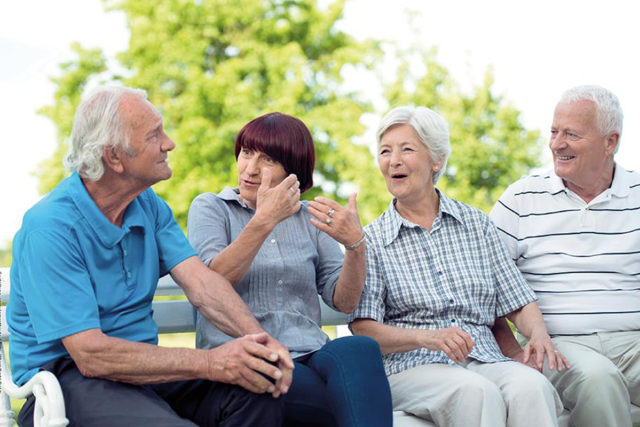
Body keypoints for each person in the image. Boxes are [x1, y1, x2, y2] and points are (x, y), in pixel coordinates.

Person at [8, 86, 293, 427]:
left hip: (141, 371)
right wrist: (212, 362)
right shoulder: (50, 228)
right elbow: (90, 355)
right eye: (154, 135)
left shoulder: (148, 206)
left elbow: (202, 285)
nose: (169, 143)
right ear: (114, 157)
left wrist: (259, 344)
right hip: (64, 383)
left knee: (256, 391)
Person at [348, 105, 566, 427]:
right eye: (385, 151)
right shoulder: (373, 240)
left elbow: (518, 299)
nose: (393, 160)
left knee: (531, 386)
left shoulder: (476, 224)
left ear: (436, 159)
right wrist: (428, 338)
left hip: (483, 358)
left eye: (406, 149)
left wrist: (538, 334)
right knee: (476, 392)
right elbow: (363, 328)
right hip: (411, 367)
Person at [187, 112, 393, 427]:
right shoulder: (212, 208)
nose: (250, 168)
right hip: (246, 356)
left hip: (311, 352)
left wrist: (355, 245)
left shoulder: (311, 218)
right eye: (246, 153)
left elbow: (345, 301)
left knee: (359, 347)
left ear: (291, 172)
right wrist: (264, 219)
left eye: (267, 159)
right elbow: (214, 282)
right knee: (346, 400)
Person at [490, 85, 640, 427]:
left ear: (610, 142)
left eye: (571, 134)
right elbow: (486, 281)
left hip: (633, 342)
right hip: (557, 345)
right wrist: (513, 350)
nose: (557, 143)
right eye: (554, 131)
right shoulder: (521, 198)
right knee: (598, 381)